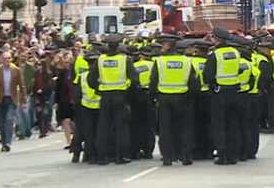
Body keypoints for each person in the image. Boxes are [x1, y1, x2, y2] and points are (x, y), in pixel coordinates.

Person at [87, 34, 138, 165]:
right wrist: (126, 89)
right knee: (121, 127)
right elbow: (134, 79)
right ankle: (121, 156)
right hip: (120, 96)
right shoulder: (125, 60)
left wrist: (99, 88)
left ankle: (102, 157)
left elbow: (91, 79)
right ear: (118, 46)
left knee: (103, 126)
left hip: (105, 96)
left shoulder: (100, 60)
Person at [149, 34, 198, 166]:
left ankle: (167, 157)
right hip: (183, 98)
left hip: (164, 99)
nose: (161, 47)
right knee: (185, 128)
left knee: (165, 129)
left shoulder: (159, 62)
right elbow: (193, 82)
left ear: (169, 46)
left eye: (163, 44)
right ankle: (186, 156)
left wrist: (152, 97)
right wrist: (191, 97)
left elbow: (153, 81)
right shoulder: (187, 61)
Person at [203, 28, 242, 165]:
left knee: (219, 125)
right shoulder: (235, 52)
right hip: (235, 92)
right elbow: (239, 69)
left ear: (217, 39)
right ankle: (233, 155)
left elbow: (207, 76)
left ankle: (222, 154)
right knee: (233, 124)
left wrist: (212, 85)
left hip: (220, 93)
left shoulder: (215, 55)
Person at [0, 51, 27, 152]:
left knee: (9, 119)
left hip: (12, 98)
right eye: (5, 58)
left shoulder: (16, 70)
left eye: (9, 58)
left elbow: (22, 85)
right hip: (0, 98)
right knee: (1, 122)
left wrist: (24, 100)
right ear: (1, 59)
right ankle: (3, 142)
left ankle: (8, 142)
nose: (7, 60)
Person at [54, 52, 75, 148]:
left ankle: (76, 140)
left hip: (75, 99)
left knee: (74, 121)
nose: (67, 64)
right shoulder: (61, 74)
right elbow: (57, 89)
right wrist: (56, 102)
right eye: (65, 62)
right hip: (64, 100)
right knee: (65, 120)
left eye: (68, 61)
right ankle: (69, 142)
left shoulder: (75, 72)